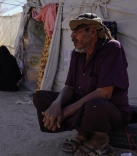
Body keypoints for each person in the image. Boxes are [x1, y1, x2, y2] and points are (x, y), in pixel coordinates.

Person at [33, 13, 131, 156]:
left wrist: (65, 112)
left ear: (91, 32)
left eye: (77, 31)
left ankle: (100, 137)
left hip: (109, 111)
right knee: (40, 97)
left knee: (96, 104)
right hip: (84, 107)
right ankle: (84, 133)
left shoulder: (112, 48)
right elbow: (69, 87)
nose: (72, 36)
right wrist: (56, 104)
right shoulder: (77, 53)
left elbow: (105, 93)